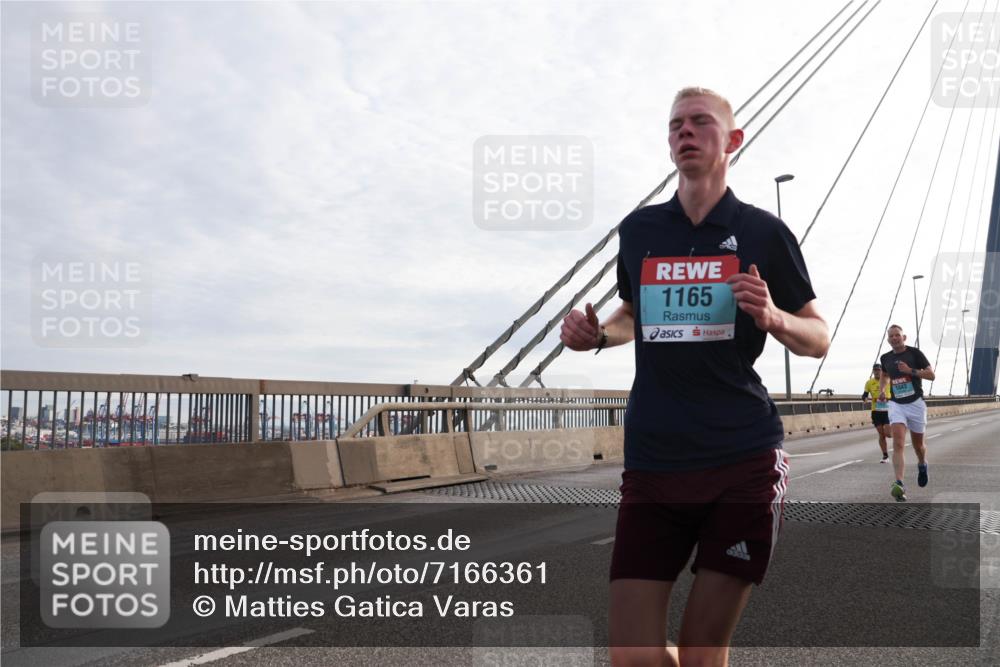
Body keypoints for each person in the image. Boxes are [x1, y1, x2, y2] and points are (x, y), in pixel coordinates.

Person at [560, 87, 829, 667]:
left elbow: (818, 336)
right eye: (675, 124)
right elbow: (632, 313)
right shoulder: (640, 231)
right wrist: (597, 335)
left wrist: (772, 315)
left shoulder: (763, 233)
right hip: (654, 459)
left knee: (704, 654)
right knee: (631, 657)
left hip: (741, 460)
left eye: (700, 122)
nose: (684, 132)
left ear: (732, 141)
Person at [878, 324, 934, 502]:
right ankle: (899, 483)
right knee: (899, 443)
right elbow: (885, 375)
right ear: (888, 340)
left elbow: (931, 375)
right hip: (897, 404)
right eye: (891, 336)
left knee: (919, 447)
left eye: (898, 335)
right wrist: (882, 389)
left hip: (916, 404)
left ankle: (922, 464)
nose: (895, 338)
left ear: (904, 337)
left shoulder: (915, 353)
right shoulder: (885, 357)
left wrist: (910, 371)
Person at [862, 363, 891, 462]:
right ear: (873, 371)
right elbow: (864, 395)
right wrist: (865, 398)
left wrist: (888, 399)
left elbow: (895, 394)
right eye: (875, 370)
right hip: (876, 411)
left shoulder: (888, 380)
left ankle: (899, 433)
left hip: (888, 410)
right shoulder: (869, 383)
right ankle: (885, 456)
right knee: (881, 435)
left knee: (888, 434)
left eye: (879, 370)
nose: (877, 372)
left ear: (882, 371)